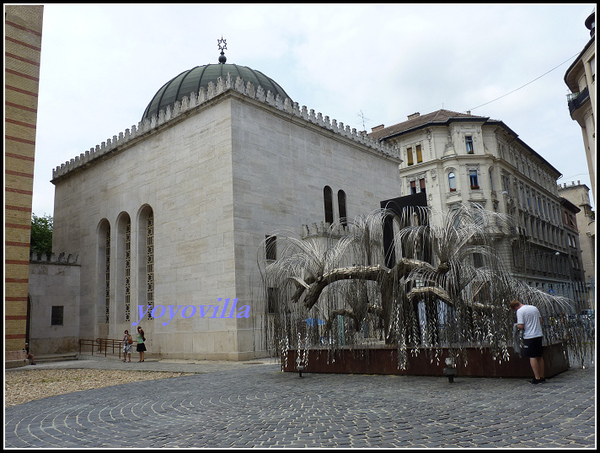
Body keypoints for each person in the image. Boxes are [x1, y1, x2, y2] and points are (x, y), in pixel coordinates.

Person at [510, 300, 545, 384]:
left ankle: (537, 377)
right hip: (539, 334)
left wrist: (516, 326)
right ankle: (543, 376)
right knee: (539, 356)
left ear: (515, 308)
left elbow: (521, 326)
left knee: (532, 356)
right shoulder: (534, 308)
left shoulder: (520, 311)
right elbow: (541, 321)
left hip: (529, 336)